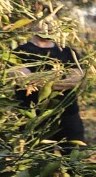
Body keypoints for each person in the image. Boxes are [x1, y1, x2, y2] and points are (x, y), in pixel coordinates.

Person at [13, 17, 87, 151]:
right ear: (32, 24)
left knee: (73, 160)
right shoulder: (19, 53)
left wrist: (41, 81)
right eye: (44, 21)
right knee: (37, 163)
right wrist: (61, 79)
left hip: (68, 116)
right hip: (33, 118)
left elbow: (78, 80)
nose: (48, 26)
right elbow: (24, 79)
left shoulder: (68, 52)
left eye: (52, 22)